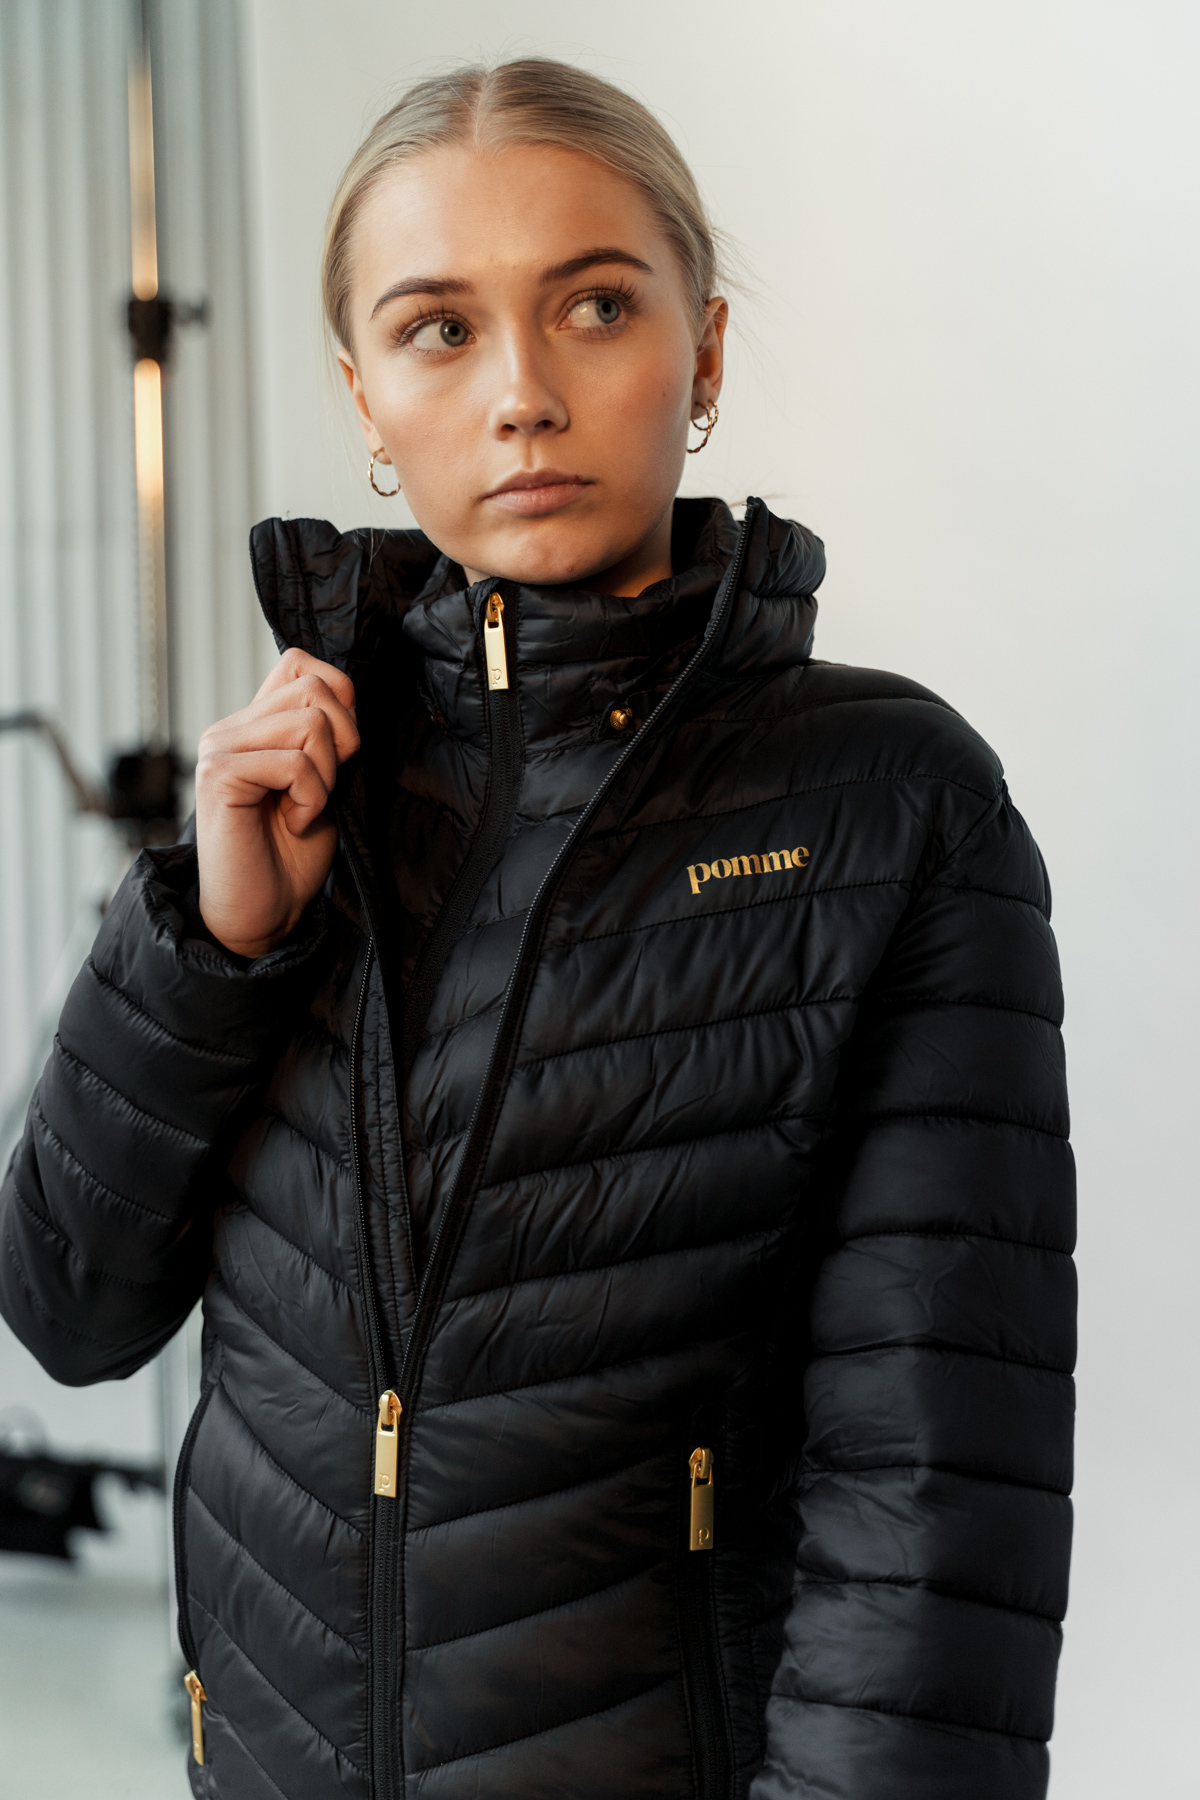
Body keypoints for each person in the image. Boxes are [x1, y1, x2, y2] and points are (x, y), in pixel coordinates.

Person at [0, 57, 1075, 1800]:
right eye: (438, 329)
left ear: (702, 353)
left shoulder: (890, 805)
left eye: (594, 306)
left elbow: (936, 1491)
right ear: (363, 392)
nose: (521, 396)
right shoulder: (306, 792)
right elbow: (64, 1306)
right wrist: (209, 946)